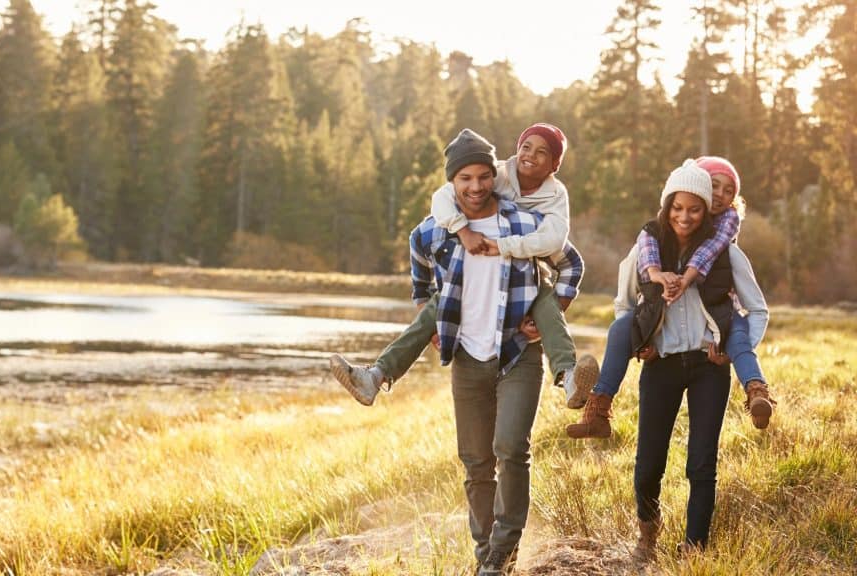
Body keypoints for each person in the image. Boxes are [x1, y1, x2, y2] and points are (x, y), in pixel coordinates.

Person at [404, 129, 584, 574]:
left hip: (517, 351)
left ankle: (503, 550)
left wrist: (548, 314)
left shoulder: (525, 222)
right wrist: (430, 315)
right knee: (476, 462)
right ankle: (487, 555)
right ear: (453, 181)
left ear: (493, 177)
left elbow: (570, 262)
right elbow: (420, 271)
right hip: (467, 354)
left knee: (510, 448)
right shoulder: (436, 230)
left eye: (483, 176)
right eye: (465, 178)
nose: (476, 186)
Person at [330, 123, 597, 410]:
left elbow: (559, 243)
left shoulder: (555, 197)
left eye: (542, 152)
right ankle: (375, 377)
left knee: (546, 301)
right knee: (439, 303)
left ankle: (569, 377)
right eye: (525, 147)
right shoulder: (494, 175)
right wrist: (462, 230)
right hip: (475, 274)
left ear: (555, 164)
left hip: (528, 273)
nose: (529, 155)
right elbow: (443, 197)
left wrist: (551, 309)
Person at [610, 160, 769, 558]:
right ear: (668, 206)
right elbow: (622, 305)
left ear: (704, 211)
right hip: (660, 365)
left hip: (707, 368)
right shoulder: (646, 249)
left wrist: (732, 348)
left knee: (701, 463)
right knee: (648, 462)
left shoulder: (726, 254)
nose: (685, 215)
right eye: (678, 207)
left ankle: (695, 547)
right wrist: (639, 342)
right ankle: (648, 533)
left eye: (695, 208)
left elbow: (758, 311)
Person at [566, 156, 775, 439]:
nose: (721, 196)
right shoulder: (653, 235)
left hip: (718, 320)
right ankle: (599, 406)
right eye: (714, 186)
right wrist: (642, 339)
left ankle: (756, 390)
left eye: (729, 192)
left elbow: (711, 254)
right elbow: (628, 293)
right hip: (663, 345)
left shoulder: (725, 234)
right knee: (620, 328)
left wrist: (685, 279)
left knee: (738, 335)